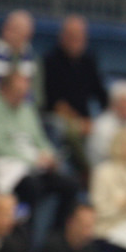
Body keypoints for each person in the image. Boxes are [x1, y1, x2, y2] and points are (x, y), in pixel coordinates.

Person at [0, 71, 79, 228]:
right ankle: (24, 238)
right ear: (4, 89)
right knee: (33, 187)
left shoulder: (27, 109)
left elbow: (39, 138)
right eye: (18, 91)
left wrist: (49, 156)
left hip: (32, 165)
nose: (22, 95)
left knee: (70, 184)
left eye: (25, 92)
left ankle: (56, 235)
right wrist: (32, 160)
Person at [42, 15, 108, 173]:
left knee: (107, 130)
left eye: (81, 37)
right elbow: (53, 102)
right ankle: (86, 172)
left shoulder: (89, 61)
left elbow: (101, 94)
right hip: (57, 118)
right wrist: (79, 122)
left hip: (85, 119)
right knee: (71, 131)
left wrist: (104, 118)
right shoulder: (50, 61)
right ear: (63, 37)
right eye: (73, 37)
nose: (77, 42)